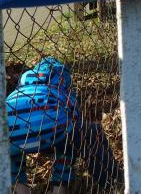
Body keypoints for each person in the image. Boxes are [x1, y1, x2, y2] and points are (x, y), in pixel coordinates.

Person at [6, 57, 122, 193]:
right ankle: (113, 183)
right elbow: (74, 119)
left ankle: (21, 189)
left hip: (9, 129)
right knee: (75, 138)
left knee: (12, 154)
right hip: (52, 125)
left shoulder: (20, 89)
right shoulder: (61, 88)